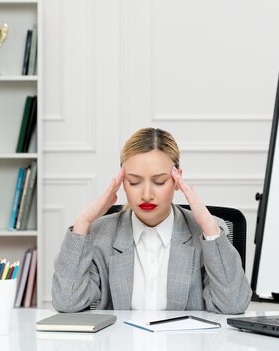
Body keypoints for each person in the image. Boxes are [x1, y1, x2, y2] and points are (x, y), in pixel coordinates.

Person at [52, 127, 252, 314]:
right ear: (122, 182)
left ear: (177, 179)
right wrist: (83, 222)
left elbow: (233, 304)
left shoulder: (205, 233)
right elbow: (67, 302)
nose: (146, 194)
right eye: (134, 182)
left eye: (159, 181)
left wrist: (209, 227)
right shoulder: (102, 233)